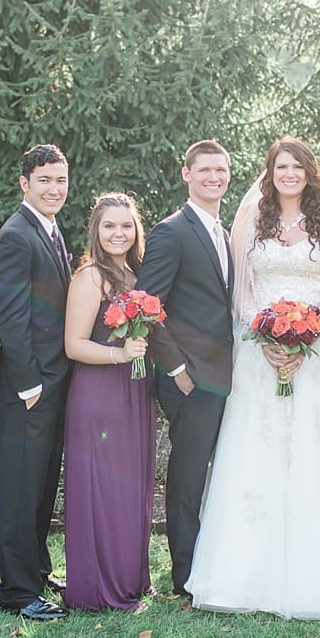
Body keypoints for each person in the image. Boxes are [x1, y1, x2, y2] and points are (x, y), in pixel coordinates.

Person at [187, 137, 320, 619]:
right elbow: (240, 288)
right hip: (260, 353)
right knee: (258, 449)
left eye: (297, 166)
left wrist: (307, 333)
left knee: (313, 447)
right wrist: (265, 336)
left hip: (319, 351)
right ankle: (245, 572)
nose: (289, 174)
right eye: (281, 166)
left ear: (309, 171)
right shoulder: (250, 215)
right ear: (270, 171)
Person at [138, 140, 235, 597]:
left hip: (221, 375)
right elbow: (147, 307)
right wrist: (176, 368)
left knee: (211, 471)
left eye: (221, 170)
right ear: (186, 174)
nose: (214, 177)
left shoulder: (223, 231)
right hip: (189, 378)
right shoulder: (171, 232)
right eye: (205, 170)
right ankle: (184, 574)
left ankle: (208, 559)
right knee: (188, 474)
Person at [0, 144, 74, 621]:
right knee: (21, 489)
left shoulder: (50, 229)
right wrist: (29, 384)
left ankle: (37, 570)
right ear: (25, 183)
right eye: (44, 180)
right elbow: (11, 316)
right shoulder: (15, 236)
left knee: (42, 487)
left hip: (52, 382)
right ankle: (18, 592)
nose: (54, 188)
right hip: (29, 388)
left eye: (60, 180)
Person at [62, 193, 157, 611]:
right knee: (105, 488)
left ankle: (129, 578)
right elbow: (73, 345)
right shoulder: (90, 278)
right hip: (100, 392)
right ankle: (101, 586)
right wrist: (121, 354)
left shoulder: (134, 276)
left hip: (133, 390)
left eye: (126, 226)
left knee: (130, 484)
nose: (118, 233)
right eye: (109, 226)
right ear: (96, 232)